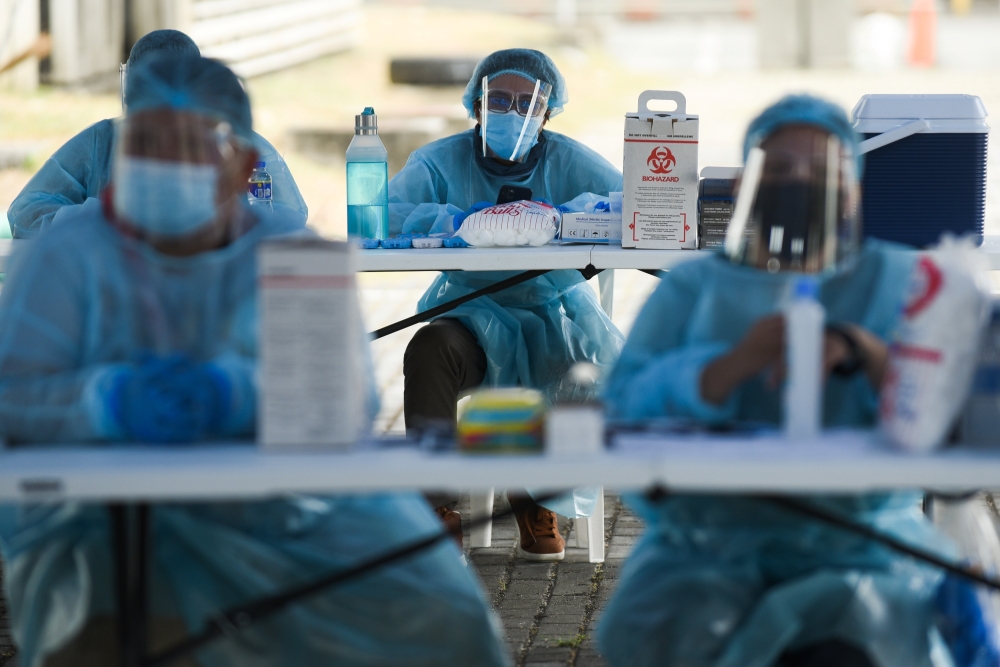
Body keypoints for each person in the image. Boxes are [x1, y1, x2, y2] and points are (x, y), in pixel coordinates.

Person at [0, 55, 507, 667]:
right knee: (116, 636)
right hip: (103, 520)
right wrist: (104, 401)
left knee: (439, 613)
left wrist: (237, 395)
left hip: (280, 512)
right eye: (148, 145)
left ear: (244, 162)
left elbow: (339, 409)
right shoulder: (68, 255)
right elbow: (15, 397)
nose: (166, 164)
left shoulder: (292, 255)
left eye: (192, 146)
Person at [597, 96, 971, 667]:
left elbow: (959, 422)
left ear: (855, 189)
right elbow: (621, 417)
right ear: (748, 181)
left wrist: (865, 352)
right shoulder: (694, 288)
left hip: (865, 551)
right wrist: (725, 368)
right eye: (779, 168)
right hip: (709, 556)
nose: (800, 182)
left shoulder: (905, 283)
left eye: (822, 171)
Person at [389, 48, 625, 561]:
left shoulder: (570, 160)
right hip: (468, 312)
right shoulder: (438, 161)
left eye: (529, 103)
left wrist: (561, 218)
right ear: (476, 103)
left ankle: (537, 497)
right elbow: (386, 213)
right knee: (429, 349)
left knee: (579, 369)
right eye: (499, 99)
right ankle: (434, 506)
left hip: (551, 313)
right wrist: (458, 222)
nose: (513, 113)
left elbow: (632, 200)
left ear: (548, 111)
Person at [6, 29, 307, 238]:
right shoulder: (103, 141)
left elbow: (288, 220)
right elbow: (26, 212)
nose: (165, 153)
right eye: (145, 143)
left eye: (186, 143)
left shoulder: (237, 146)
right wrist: (106, 219)